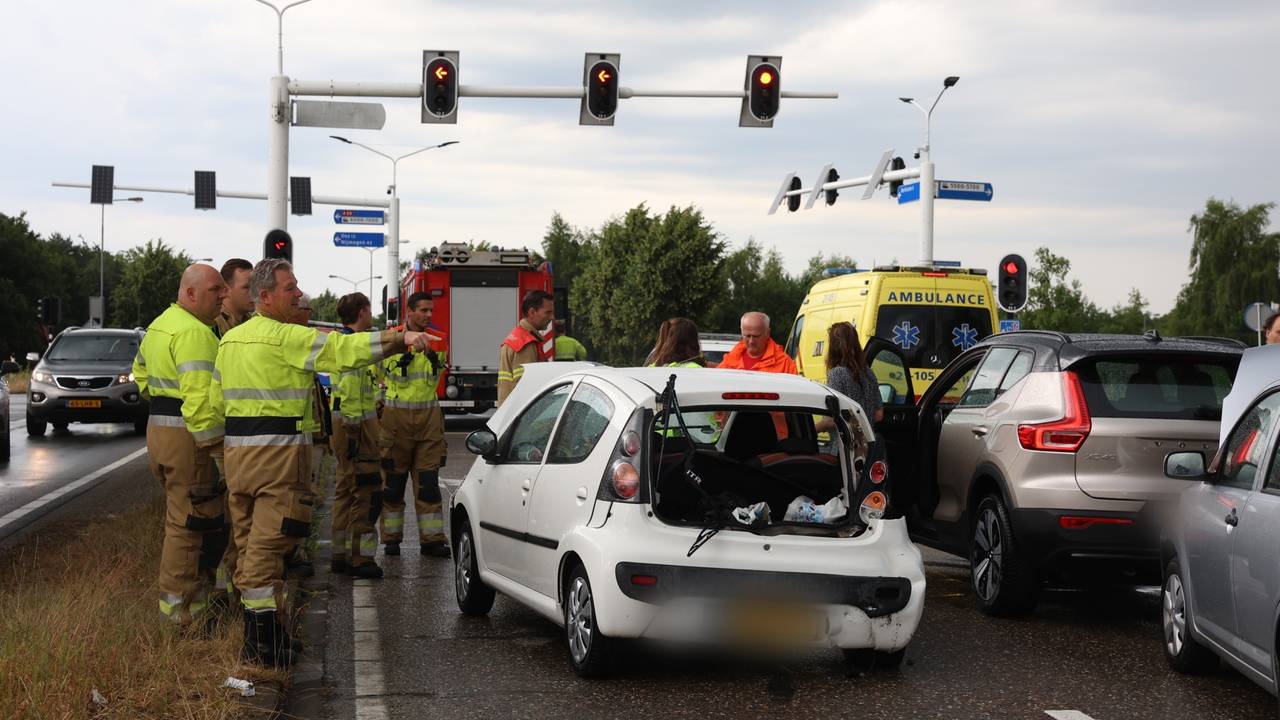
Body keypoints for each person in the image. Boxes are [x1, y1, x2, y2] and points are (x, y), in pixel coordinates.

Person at [211, 258, 433, 666]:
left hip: (238, 458)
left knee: (249, 546)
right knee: (267, 548)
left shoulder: (230, 341)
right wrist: (401, 338)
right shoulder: (285, 337)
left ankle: (270, 635)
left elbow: (213, 403)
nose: (298, 293)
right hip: (277, 459)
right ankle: (259, 647)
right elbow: (342, 350)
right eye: (290, 287)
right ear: (265, 297)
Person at [132, 264, 228, 626]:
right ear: (190, 294)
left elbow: (139, 372)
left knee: (181, 519)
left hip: (160, 433)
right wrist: (217, 453)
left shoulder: (160, 326)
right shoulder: (196, 334)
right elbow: (201, 403)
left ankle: (183, 614)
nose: (222, 296)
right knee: (191, 527)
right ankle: (184, 621)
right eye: (215, 290)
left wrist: (161, 399)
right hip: (190, 440)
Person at [378, 292, 451, 558]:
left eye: (431, 311)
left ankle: (432, 540)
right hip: (395, 422)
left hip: (428, 421)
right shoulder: (392, 338)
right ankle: (391, 539)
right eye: (423, 310)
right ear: (409, 312)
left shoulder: (439, 340)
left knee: (429, 485)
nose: (429, 315)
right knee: (393, 485)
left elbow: (437, 373)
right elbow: (378, 376)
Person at [329, 292, 385, 578]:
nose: (371, 314)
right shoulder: (353, 346)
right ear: (362, 312)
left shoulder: (342, 343)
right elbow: (350, 391)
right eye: (369, 309)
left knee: (345, 490)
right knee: (366, 491)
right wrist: (353, 433)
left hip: (349, 426)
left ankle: (339, 555)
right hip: (355, 429)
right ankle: (360, 559)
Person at [817, 323, 883, 432]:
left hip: (846, 445)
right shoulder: (869, 373)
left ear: (834, 348)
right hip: (869, 444)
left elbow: (830, 420)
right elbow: (879, 414)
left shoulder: (837, 374)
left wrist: (808, 432)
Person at [497, 290, 555, 406]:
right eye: (547, 313)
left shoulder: (517, 337)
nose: (552, 317)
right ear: (532, 312)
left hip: (510, 412)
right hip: (521, 416)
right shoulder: (526, 344)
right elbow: (526, 388)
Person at [718, 312, 798, 374]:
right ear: (741, 332)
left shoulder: (785, 364)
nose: (751, 341)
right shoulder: (731, 359)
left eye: (756, 336)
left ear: (768, 333)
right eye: (747, 336)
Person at [214, 258, 254, 338]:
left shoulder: (253, 321)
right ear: (226, 290)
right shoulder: (214, 323)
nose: (254, 292)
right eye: (247, 287)